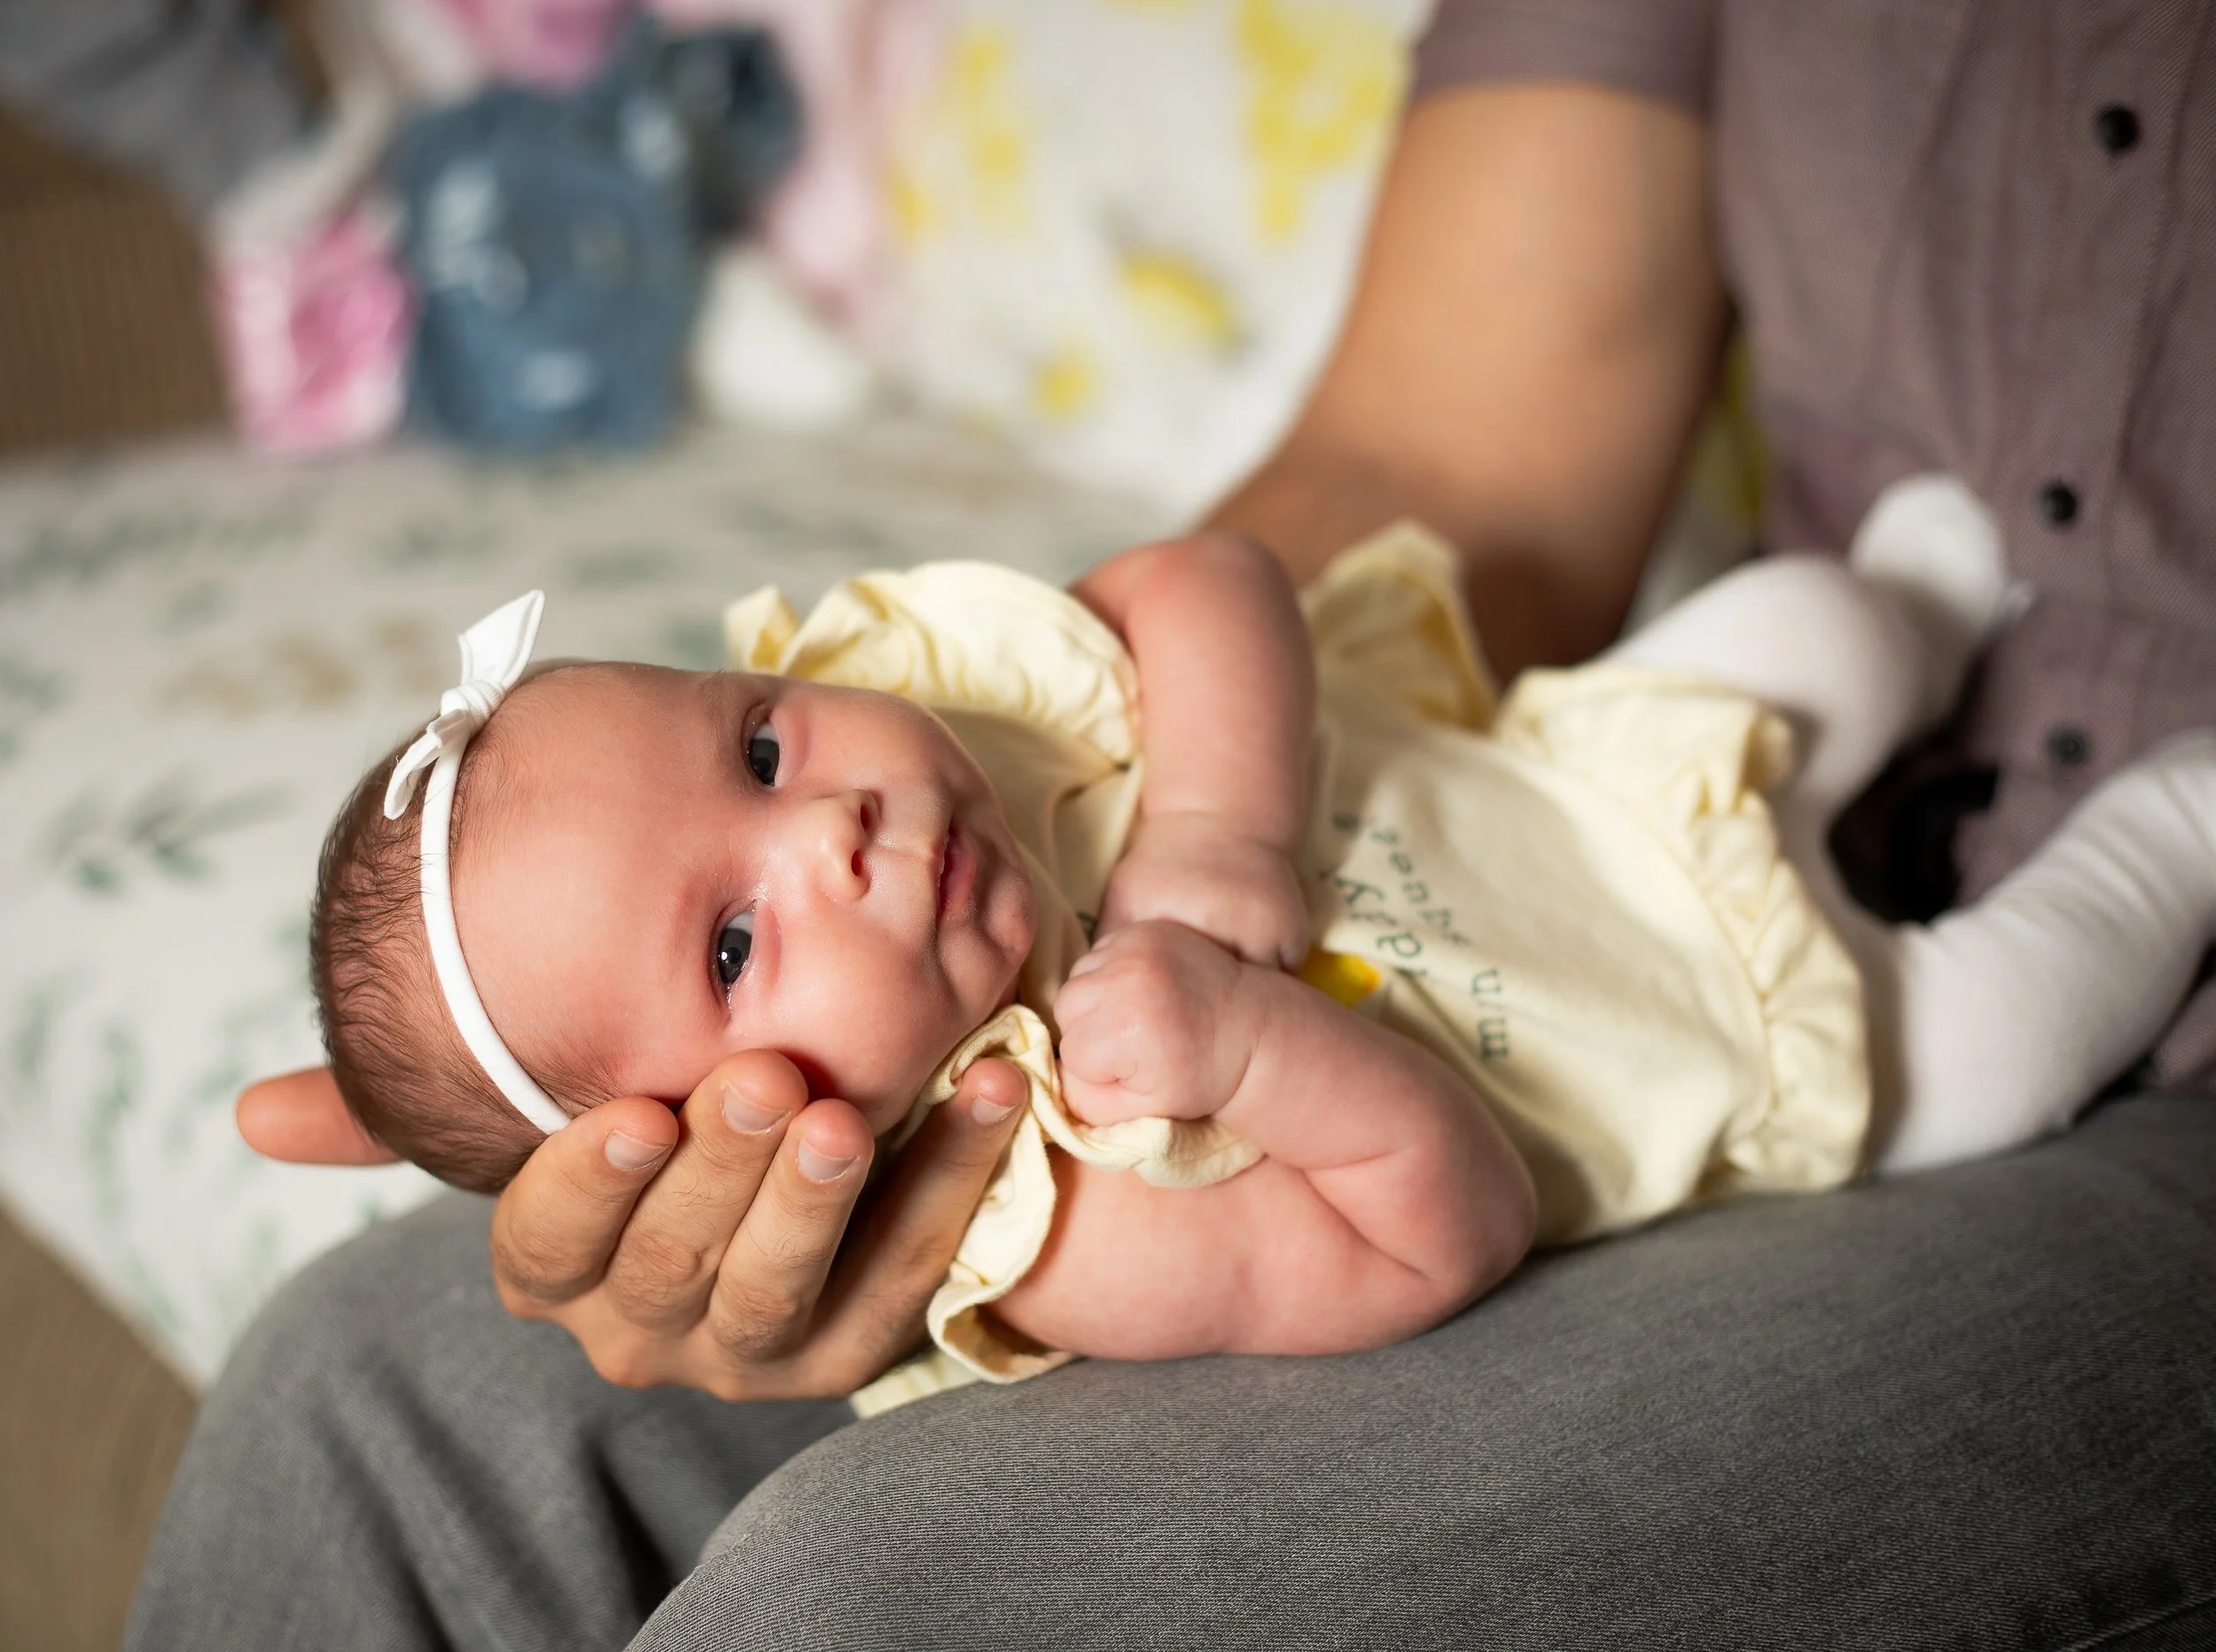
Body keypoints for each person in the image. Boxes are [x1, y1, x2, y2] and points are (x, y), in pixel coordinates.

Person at [129, 4, 2216, 1648]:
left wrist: (1214, 818)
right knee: (362, 1391)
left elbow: (1188, 593)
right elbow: (1442, 446)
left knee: (885, 1609)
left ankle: (1975, 664)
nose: (841, 819)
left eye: (756, 746)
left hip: (1776, 884)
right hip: (1714, 1022)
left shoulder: (981, 729)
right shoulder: (1071, 1182)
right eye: (733, 948)